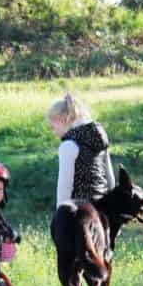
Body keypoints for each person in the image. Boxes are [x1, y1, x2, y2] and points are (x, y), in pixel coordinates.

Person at [47, 92, 115, 260]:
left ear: (62, 120)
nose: (54, 132)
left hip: (79, 206)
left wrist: (60, 216)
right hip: (102, 208)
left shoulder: (69, 145)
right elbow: (110, 178)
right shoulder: (100, 140)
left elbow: (65, 185)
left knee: (69, 264)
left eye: (53, 127)